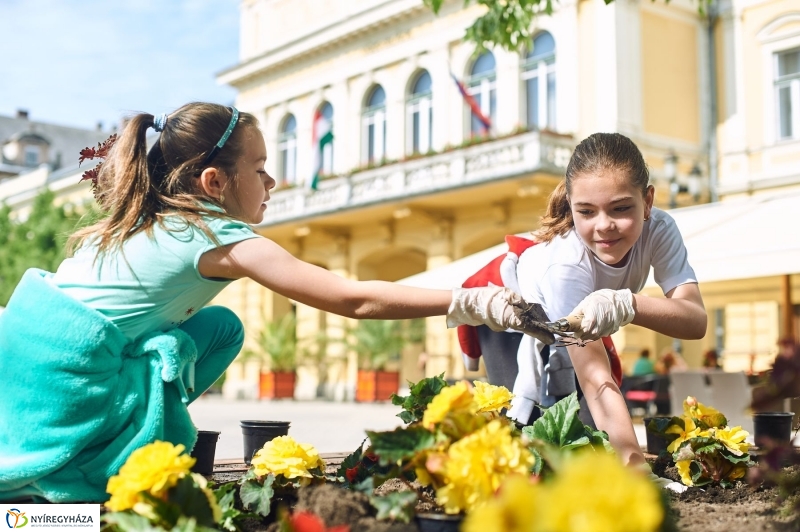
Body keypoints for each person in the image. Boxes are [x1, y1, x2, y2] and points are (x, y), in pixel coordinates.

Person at [0, 103, 544, 503]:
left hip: (26, 363)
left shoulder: (146, 217)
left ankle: (121, 427)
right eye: (259, 167)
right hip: (63, 385)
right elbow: (352, 298)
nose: (272, 180)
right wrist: (474, 301)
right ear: (215, 181)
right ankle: (66, 498)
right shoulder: (212, 235)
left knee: (220, 328)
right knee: (76, 512)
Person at [481, 132, 706, 470]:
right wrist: (635, 467)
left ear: (647, 201)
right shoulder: (566, 266)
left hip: (578, 324)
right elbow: (595, 379)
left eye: (621, 208)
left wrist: (628, 304)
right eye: (586, 212)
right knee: (526, 447)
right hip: (512, 319)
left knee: (594, 447)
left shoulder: (659, 229)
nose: (605, 226)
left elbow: (695, 320)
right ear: (571, 207)